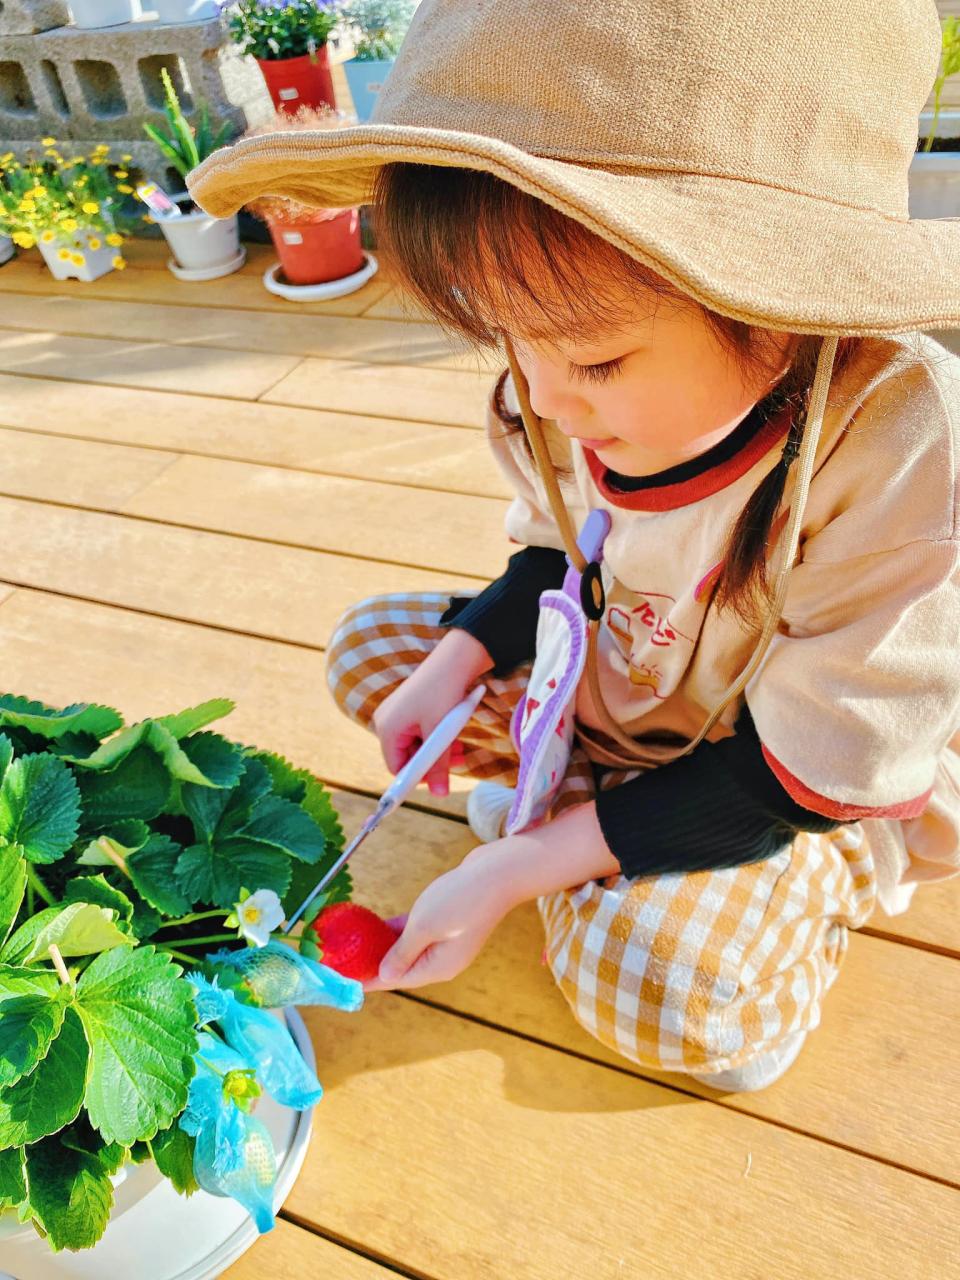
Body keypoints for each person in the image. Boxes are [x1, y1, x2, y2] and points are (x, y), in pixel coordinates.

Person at [190, 0, 960, 1091]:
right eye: (502, 331)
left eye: (595, 360)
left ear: (786, 304)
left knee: (661, 990)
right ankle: (595, 807)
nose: (542, 396)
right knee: (377, 652)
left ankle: (778, 887)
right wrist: (460, 659)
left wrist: (522, 863)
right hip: (629, 679)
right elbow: (564, 558)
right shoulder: (546, 395)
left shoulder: (892, 441)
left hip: (784, 769)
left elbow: (810, 769)